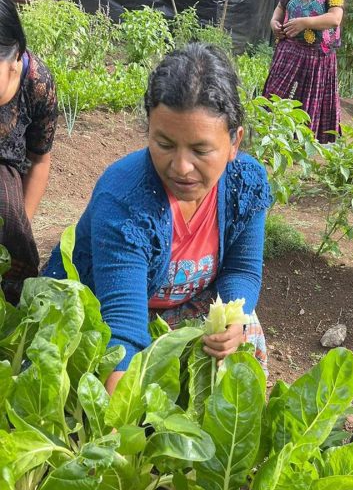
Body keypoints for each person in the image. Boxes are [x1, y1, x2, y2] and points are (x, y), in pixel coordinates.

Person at [44, 43, 272, 394]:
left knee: (246, 328)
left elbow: (242, 271)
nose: (181, 167)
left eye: (200, 150)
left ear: (234, 142)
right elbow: (121, 326)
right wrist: (118, 427)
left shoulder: (246, 184)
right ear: (149, 130)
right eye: (164, 144)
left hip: (182, 306)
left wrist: (235, 321)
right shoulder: (124, 197)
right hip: (100, 307)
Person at [0, 0, 57, 304]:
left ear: (15, 56)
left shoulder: (37, 83)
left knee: (6, 205)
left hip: (10, 175)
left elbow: (39, 160)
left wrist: (22, 226)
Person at [263, 0, 347, 143]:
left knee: (307, 103)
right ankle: (269, 136)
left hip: (316, 57)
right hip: (288, 52)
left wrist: (304, 22)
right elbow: (280, 8)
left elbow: (335, 18)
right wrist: (274, 23)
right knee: (276, 95)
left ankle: (298, 144)